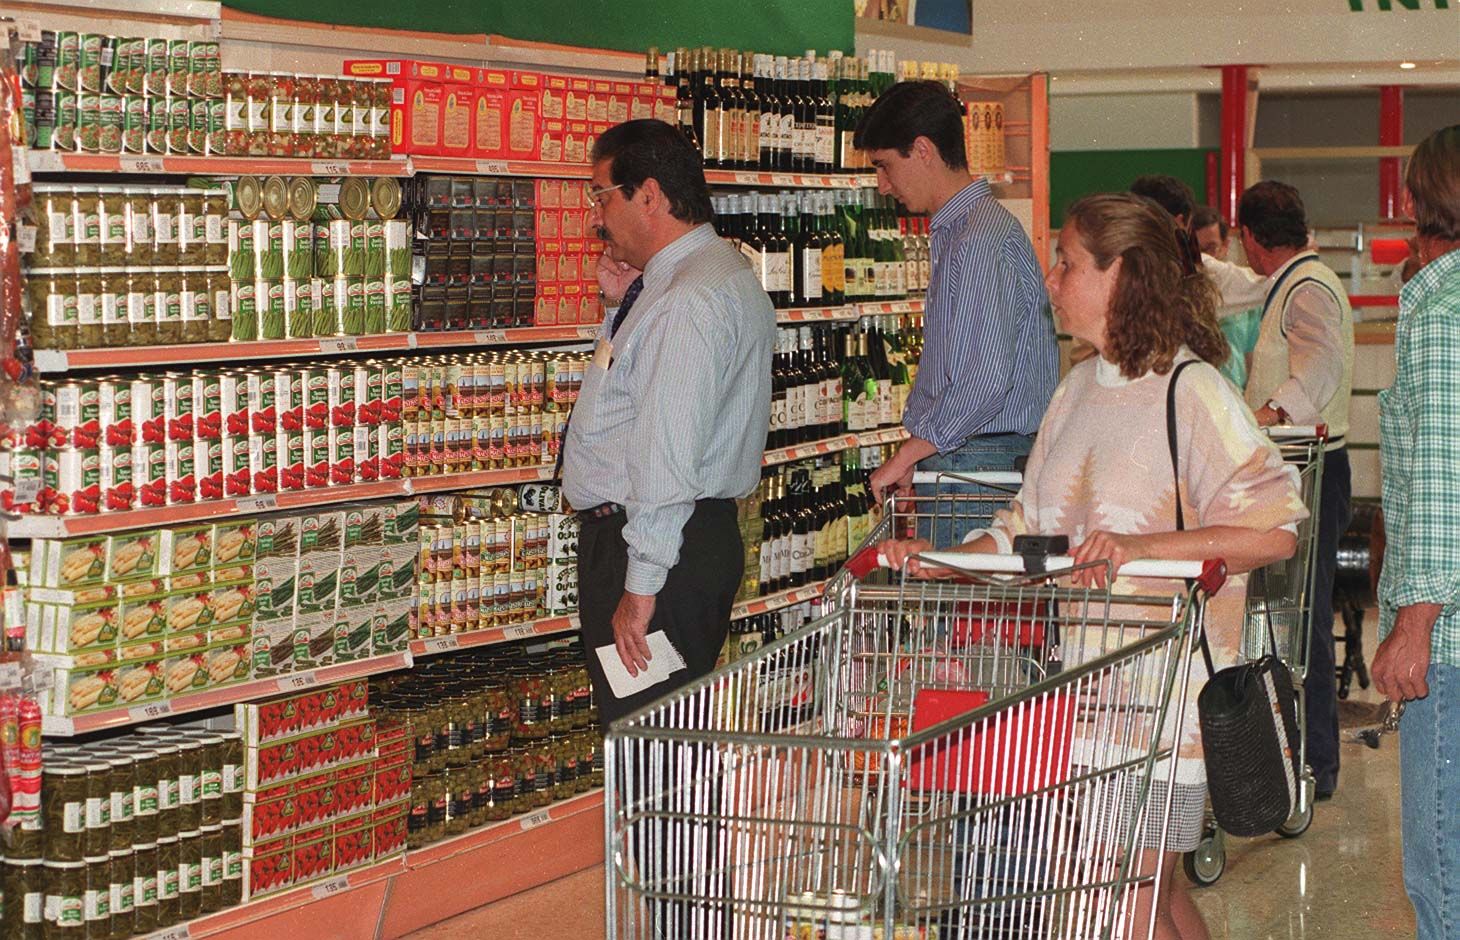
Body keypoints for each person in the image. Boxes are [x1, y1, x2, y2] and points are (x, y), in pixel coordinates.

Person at [879, 192, 1306, 940]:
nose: (1050, 278)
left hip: (1171, 705)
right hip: (1087, 698)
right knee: (1151, 897)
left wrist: (1140, 548)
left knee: (1117, 899)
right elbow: (1027, 531)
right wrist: (949, 561)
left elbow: (1274, 534)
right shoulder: (1074, 391)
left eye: (1067, 262)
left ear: (1121, 275)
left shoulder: (1193, 391)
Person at [561, 118, 776, 730]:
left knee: (647, 746)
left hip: (658, 550)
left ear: (648, 195)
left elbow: (667, 453)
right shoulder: (710, 276)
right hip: (679, 542)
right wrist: (620, 307)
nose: (596, 218)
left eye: (602, 195)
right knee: (667, 740)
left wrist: (640, 587)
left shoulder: (685, 300)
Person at [853, 80, 1058, 545]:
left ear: (922, 150)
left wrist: (910, 453)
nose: (883, 185)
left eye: (885, 166)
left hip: (975, 471)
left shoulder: (977, 242)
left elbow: (983, 382)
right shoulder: (965, 232)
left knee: (961, 616)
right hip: (970, 463)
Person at [1371, 123, 1460, 940]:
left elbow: (1441, 472)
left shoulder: (1441, 310)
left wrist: (1413, 623)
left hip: (1452, 644)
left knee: (1444, 868)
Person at [1238, 179, 1354, 801]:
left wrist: (1271, 413)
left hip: (1314, 468)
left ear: (1251, 238)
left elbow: (1323, 361)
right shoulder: (1293, 280)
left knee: (1301, 621)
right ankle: (1297, 757)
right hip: (1307, 469)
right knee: (1292, 620)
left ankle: (1314, 762)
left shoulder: (1306, 289)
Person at [1129, 177, 1267, 390]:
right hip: (1183, 389)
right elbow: (1264, 285)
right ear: (1181, 222)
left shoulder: (1114, 266)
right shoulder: (1195, 272)